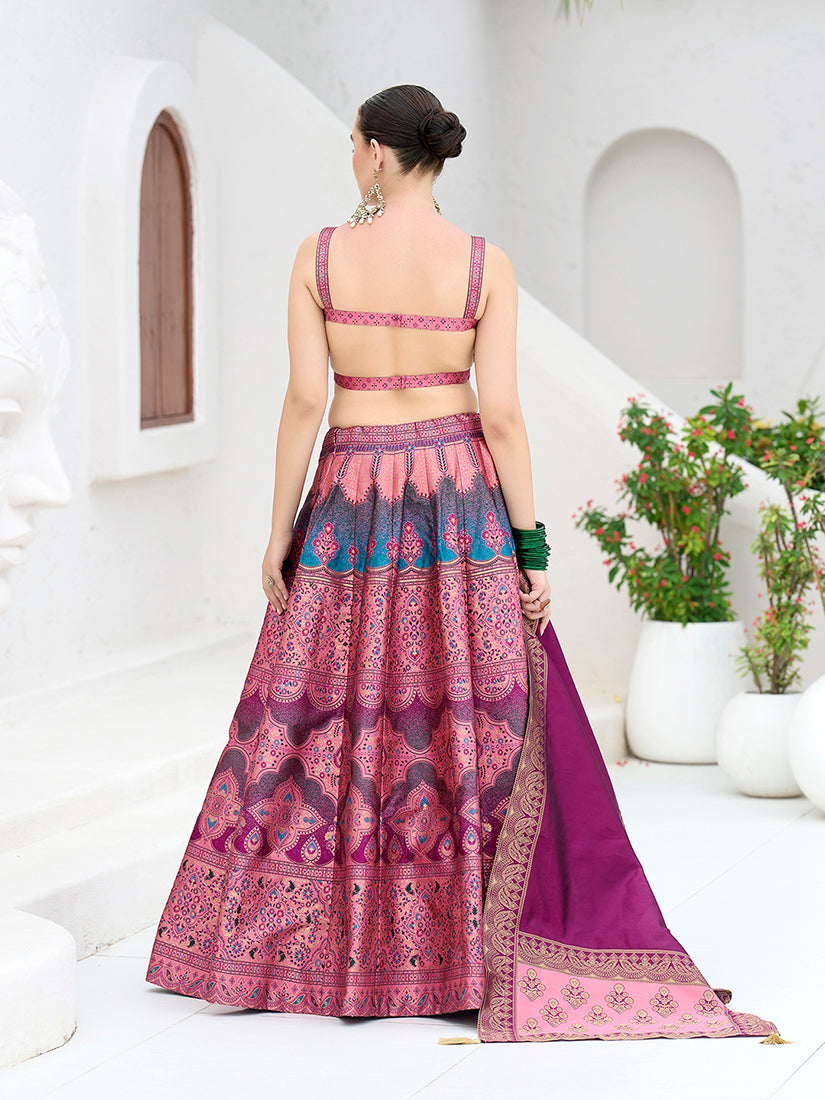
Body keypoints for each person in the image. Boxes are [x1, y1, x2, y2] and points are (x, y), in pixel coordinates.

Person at [145, 85, 777, 1044]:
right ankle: (456, 948)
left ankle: (294, 942)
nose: (350, 155)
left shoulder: (319, 256)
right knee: (462, 717)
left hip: (350, 497)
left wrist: (278, 530)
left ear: (376, 153)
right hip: (458, 502)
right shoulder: (484, 264)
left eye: (352, 143)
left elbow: (304, 401)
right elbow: (504, 415)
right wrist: (530, 548)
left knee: (320, 712)